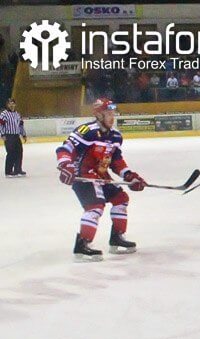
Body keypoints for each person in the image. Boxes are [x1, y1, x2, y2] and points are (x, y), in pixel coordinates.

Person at [55, 98, 147, 261]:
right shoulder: (87, 131)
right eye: (108, 114)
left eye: (113, 113)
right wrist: (65, 165)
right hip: (83, 177)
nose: (112, 117)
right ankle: (82, 246)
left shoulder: (116, 136)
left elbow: (116, 161)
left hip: (101, 177)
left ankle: (117, 238)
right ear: (98, 115)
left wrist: (129, 175)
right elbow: (65, 148)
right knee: (95, 207)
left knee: (121, 199)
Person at [1, 97, 27, 177]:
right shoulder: (4, 114)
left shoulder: (17, 114)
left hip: (16, 136)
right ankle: (8, 171)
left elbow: (21, 125)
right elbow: (0, 125)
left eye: (13, 103)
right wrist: (2, 134)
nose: (11, 105)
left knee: (19, 152)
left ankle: (17, 170)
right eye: (9, 103)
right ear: (7, 105)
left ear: (15, 104)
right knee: (11, 153)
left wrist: (23, 134)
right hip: (8, 136)